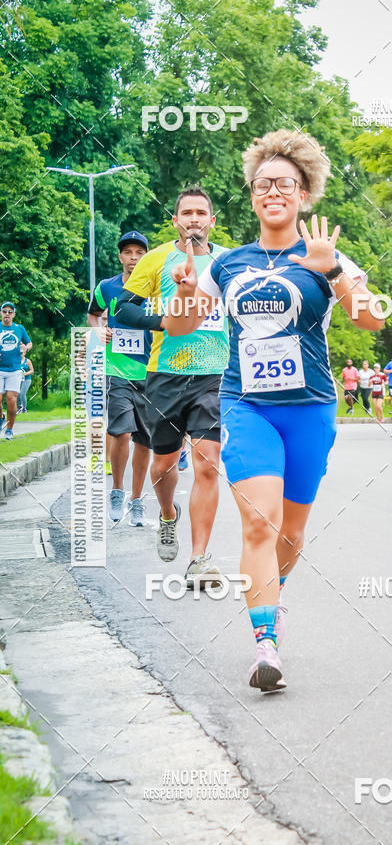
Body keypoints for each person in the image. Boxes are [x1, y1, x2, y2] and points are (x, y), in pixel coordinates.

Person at [164, 129, 383, 691]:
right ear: (253, 195)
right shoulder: (229, 263)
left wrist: (331, 271)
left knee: (290, 533)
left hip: (310, 408)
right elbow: (179, 326)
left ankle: (275, 601)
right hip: (245, 405)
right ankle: (266, 644)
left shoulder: (326, 256)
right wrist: (186, 289)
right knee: (259, 523)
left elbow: (372, 319)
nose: (273, 192)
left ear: (304, 193)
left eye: (285, 184)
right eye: (263, 185)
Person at [115, 186, 228, 587]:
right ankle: (167, 515)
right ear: (176, 220)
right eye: (187, 212)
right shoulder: (157, 258)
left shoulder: (225, 262)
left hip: (215, 374)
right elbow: (123, 308)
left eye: (202, 212)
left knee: (207, 463)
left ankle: (199, 558)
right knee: (164, 467)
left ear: (212, 221)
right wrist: (164, 321)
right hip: (165, 373)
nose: (194, 218)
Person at [88, 231, 151, 525]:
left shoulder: (156, 285)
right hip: (118, 370)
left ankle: (137, 500)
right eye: (128, 252)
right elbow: (93, 314)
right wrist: (99, 330)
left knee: (145, 441)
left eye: (139, 252)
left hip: (152, 370)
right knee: (121, 432)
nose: (134, 258)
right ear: (120, 257)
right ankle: (117, 491)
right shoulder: (107, 287)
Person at [0, 302, 32, 440]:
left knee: (11, 400)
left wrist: (26, 348)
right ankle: (1, 417)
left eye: (10, 312)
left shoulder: (19, 328)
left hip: (14, 370)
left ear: (13, 314)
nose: (7, 314)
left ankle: (9, 430)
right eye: (4, 311)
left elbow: (29, 343)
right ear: (1, 312)